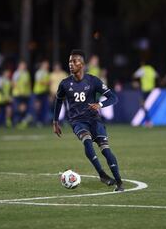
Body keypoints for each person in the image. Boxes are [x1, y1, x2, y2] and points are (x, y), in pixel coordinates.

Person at [53, 49, 124, 192]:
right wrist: (55, 121)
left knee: (105, 150)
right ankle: (102, 174)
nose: (71, 64)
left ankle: (119, 182)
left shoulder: (93, 81)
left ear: (82, 64)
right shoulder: (65, 84)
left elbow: (113, 97)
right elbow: (58, 101)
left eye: (74, 61)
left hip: (94, 120)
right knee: (86, 139)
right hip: (77, 121)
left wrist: (100, 104)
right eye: (69, 61)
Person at [133, 60, 157, 127]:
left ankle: (148, 121)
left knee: (143, 105)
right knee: (147, 106)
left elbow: (135, 75)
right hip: (152, 90)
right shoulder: (151, 69)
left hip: (145, 90)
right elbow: (156, 76)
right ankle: (148, 121)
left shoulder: (143, 69)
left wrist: (137, 82)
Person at [12, 60, 32, 129]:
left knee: (23, 108)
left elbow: (28, 83)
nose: (24, 66)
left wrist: (29, 91)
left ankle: (21, 121)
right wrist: (19, 90)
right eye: (22, 65)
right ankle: (19, 121)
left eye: (24, 65)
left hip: (25, 94)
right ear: (19, 66)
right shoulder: (17, 73)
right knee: (19, 108)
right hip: (18, 94)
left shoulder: (26, 73)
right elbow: (14, 83)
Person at [33, 59, 50, 126]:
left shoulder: (47, 72)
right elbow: (39, 81)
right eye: (46, 64)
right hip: (38, 92)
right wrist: (47, 83)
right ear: (43, 65)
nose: (47, 65)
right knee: (38, 107)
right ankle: (37, 121)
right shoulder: (39, 72)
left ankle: (43, 121)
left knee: (44, 107)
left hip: (44, 92)